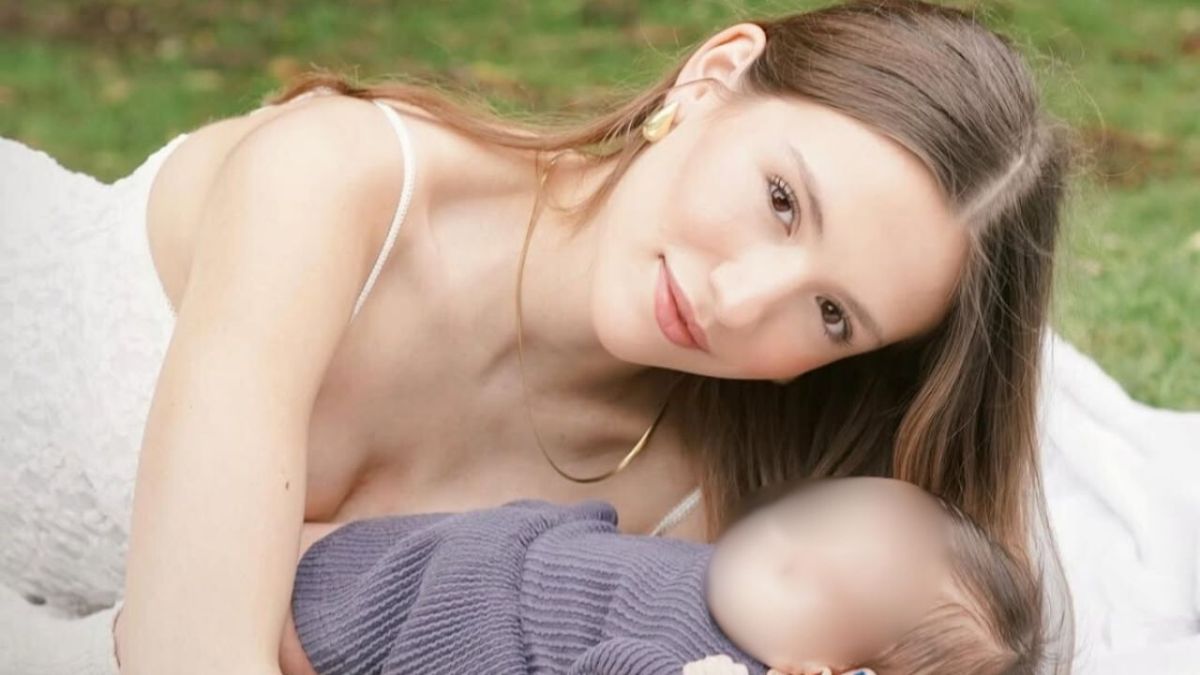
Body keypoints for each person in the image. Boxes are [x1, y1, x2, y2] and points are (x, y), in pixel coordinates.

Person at [0, 1, 1076, 672]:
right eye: (782, 201)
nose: (740, 300)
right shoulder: (338, 181)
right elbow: (187, 653)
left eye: (832, 315)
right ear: (713, 77)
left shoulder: (701, 528)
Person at [273, 477, 1045, 675]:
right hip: (481, 555)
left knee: (294, 620)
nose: (773, 533)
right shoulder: (722, 586)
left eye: (798, 569)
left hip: (456, 625)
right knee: (293, 556)